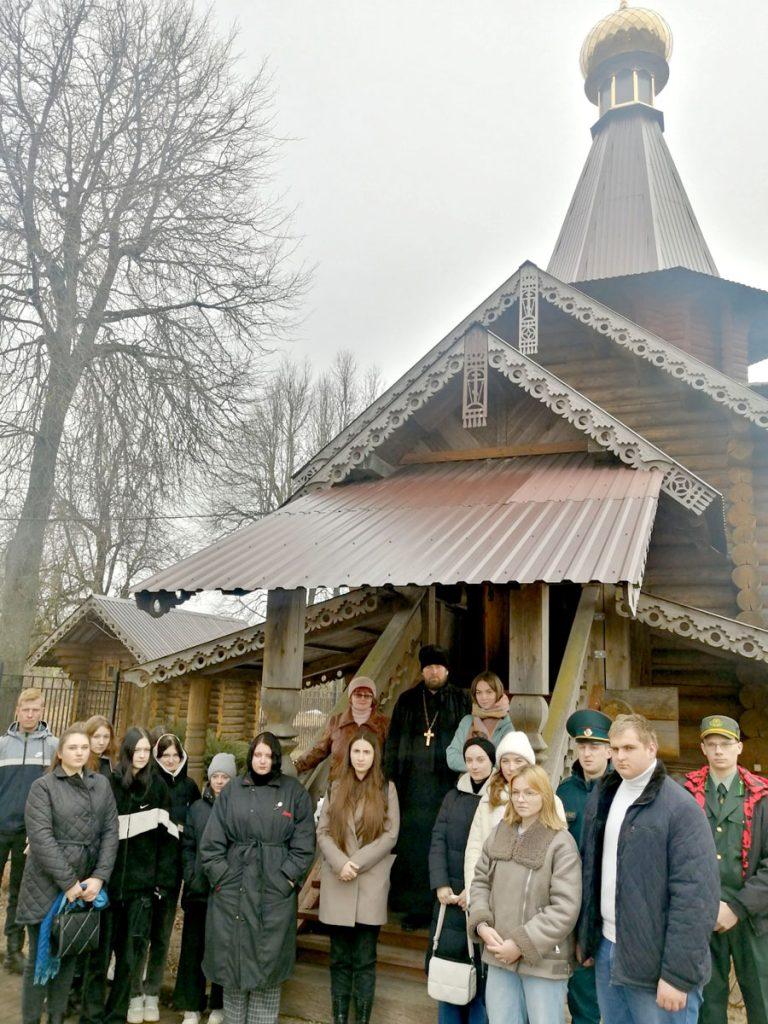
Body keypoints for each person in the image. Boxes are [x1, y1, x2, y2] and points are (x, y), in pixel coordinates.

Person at [578, 713, 720, 1024]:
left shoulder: (680, 808)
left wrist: (677, 975)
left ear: (651, 747)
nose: (620, 757)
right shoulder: (603, 796)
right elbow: (590, 871)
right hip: (607, 948)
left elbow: (695, 897)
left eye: (629, 748)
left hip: (657, 964)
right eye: (615, 749)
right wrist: (587, 939)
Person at [200, 731, 315, 1024]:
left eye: (268, 756)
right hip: (233, 889)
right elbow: (211, 844)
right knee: (234, 966)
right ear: (251, 756)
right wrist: (222, 879)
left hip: (273, 892)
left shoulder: (293, 792)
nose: (262, 761)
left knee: (267, 966)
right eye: (257, 755)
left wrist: (286, 880)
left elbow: (304, 845)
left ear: (276, 758)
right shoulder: (232, 791)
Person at [16, 722, 118, 1024]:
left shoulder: (101, 785)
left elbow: (111, 832)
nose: (79, 752)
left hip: (86, 885)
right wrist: (69, 883)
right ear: (60, 753)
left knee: (69, 958)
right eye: (72, 747)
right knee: (39, 959)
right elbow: (41, 838)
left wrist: (99, 877)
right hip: (45, 885)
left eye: (84, 748)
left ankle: (57, 1018)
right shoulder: (43, 787)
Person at [468, 764, 581, 1024]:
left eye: (530, 793)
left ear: (545, 795)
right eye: (516, 792)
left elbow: (564, 908)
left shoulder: (561, 843)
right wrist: (482, 925)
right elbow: (480, 882)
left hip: (543, 960)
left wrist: (520, 945)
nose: (521, 799)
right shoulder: (499, 833)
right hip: (499, 954)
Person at [683, 715, 768, 1024]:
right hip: (702, 916)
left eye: (725, 743)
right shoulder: (685, 794)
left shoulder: (762, 797)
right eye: (711, 744)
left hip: (752, 919)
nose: (718, 750)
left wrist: (738, 908)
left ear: (739, 747)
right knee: (707, 1007)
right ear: (703, 748)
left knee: (762, 1001)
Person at [317, 727, 399, 1024]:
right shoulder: (335, 786)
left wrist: (356, 863)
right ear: (349, 754)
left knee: (365, 960)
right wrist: (341, 863)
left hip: (369, 882)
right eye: (356, 751)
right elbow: (323, 831)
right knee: (339, 958)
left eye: (367, 752)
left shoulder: (386, 789)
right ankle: (339, 1018)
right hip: (339, 880)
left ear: (375, 755)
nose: (361, 757)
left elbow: (390, 834)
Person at [384, 645, 470, 929]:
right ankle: (416, 908)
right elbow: (393, 742)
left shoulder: (461, 700)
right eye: (429, 667)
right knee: (415, 849)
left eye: (438, 667)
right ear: (422, 671)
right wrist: (390, 779)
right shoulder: (407, 700)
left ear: (447, 670)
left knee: (446, 844)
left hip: (448, 787)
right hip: (413, 790)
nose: (434, 672)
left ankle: (445, 906)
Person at [103, 727, 179, 1024]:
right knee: (102, 953)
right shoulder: (110, 784)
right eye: (138, 750)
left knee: (131, 953)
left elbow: (167, 842)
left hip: (141, 887)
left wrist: (160, 881)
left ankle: (119, 1011)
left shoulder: (158, 788)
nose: (143, 755)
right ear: (127, 751)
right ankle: (93, 1010)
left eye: (147, 750)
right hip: (108, 884)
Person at [134, 733, 202, 1022]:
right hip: (147, 872)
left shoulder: (190, 787)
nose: (171, 760)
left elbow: (195, 828)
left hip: (173, 874)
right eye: (165, 755)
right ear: (157, 757)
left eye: (175, 754)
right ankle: (135, 993)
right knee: (140, 936)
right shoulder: (149, 783)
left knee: (162, 937)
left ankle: (152, 992)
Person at [428, 736, 496, 1024]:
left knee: (481, 979)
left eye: (481, 759)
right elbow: (438, 839)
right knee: (449, 975)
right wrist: (441, 883)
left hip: (481, 899)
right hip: (450, 898)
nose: (475, 765)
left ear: (492, 761)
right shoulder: (452, 796)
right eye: (469, 760)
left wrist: (476, 890)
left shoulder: (501, 798)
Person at [556, 709, 612, 1024]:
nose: (588, 753)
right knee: (581, 988)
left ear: (609, 751)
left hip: (607, 903)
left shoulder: (620, 790)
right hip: (571, 901)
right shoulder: (564, 792)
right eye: (583, 746)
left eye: (596, 746)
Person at [173, 752, 237, 1024]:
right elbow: (188, 846)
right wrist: (191, 874)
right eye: (215, 776)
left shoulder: (237, 808)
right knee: (193, 949)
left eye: (225, 777)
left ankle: (219, 1005)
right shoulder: (197, 809)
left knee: (222, 949)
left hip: (226, 891)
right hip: (198, 891)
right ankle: (191, 1004)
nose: (219, 781)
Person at [464, 731, 565, 896]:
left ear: (529, 763)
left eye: (518, 761)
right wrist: (472, 893)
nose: (511, 767)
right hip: (490, 889)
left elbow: (559, 852)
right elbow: (475, 847)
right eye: (505, 761)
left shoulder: (550, 800)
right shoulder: (489, 798)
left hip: (530, 892)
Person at [0, 687, 58, 973]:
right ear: (18, 711)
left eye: (36, 710)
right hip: (1, 827)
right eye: (26, 709)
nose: (30, 715)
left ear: (42, 711)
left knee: (19, 891)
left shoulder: (53, 746)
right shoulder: (2, 745)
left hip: (30, 833)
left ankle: (13, 950)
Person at [293, 677, 389, 780]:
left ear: (373, 699)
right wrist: (297, 766)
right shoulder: (336, 722)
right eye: (358, 695)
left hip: (372, 784)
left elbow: (391, 754)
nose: (362, 698)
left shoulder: (384, 724)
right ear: (350, 697)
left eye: (367, 696)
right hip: (340, 782)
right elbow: (320, 750)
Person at [445, 672, 514, 773]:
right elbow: (452, 757)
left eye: (489, 692)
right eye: (479, 692)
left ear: (498, 693)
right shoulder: (467, 721)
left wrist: (473, 766)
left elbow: (505, 762)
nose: (483, 697)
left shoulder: (506, 723)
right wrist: (479, 767)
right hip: (466, 781)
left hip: (494, 781)